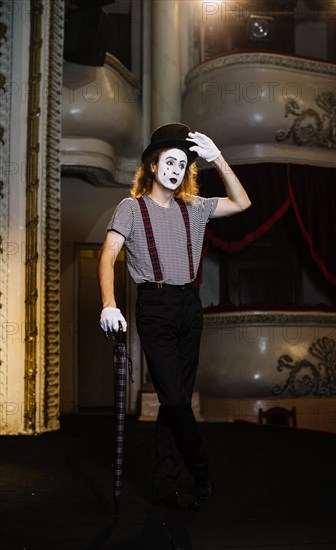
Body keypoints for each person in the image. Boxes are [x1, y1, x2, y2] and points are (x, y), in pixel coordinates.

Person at [98, 123, 251, 510]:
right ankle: (200, 470)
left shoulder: (194, 208)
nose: (175, 169)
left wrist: (218, 159)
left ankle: (164, 483)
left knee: (175, 400)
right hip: (155, 307)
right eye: (169, 161)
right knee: (176, 399)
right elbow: (107, 254)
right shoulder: (131, 208)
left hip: (189, 307)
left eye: (182, 164)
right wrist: (108, 303)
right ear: (152, 165)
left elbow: (243, 202)